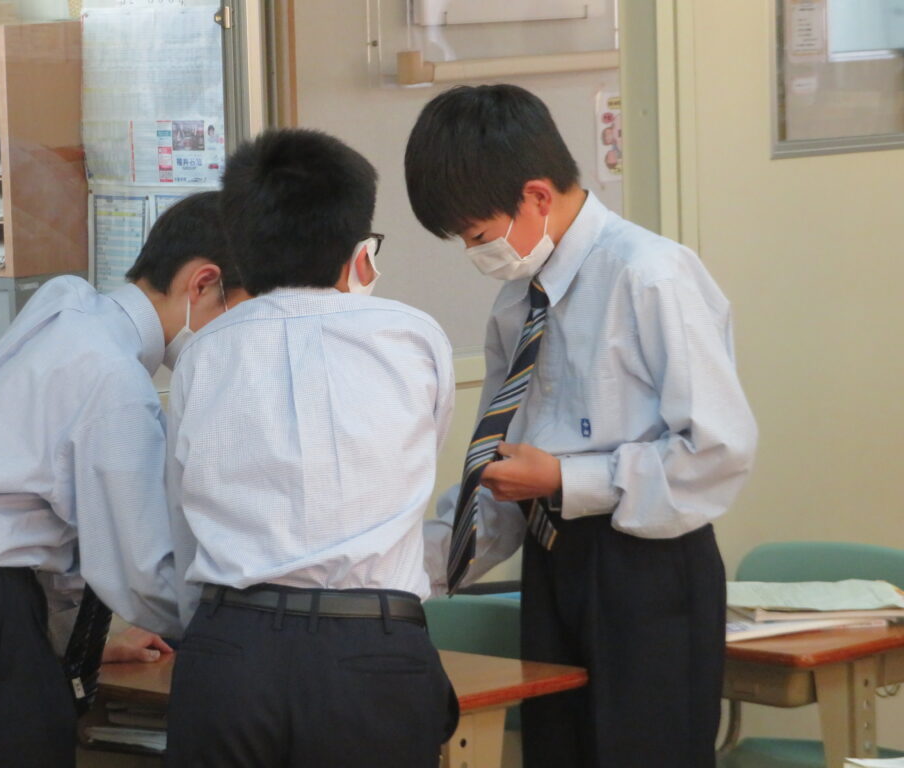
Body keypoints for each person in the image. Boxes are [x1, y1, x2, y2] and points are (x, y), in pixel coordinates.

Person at [406, 84, 758, 768]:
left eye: (477, 235)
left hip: (648, 568)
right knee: (557, 752)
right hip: (552, 561)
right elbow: (502, 469)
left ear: (537, 196)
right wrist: (403, 570)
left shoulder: (651, 274)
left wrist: (570, 479)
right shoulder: (518, 302)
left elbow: (718, 450)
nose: (475, 252)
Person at [0, 190, 249, 768]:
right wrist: (247, 633)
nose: (241, 338)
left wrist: (86, 637)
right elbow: (142, 569)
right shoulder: (114, 380)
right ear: (203, 283)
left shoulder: (69, 312)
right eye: (241, 315)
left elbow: (47, 515)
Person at [164, 129, 459, 768]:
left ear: (240, 245)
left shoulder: (201, 354)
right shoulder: (414, 338)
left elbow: (182, 518)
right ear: (359, 247)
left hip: (229, 649)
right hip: (373, 647)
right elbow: (421, 461)